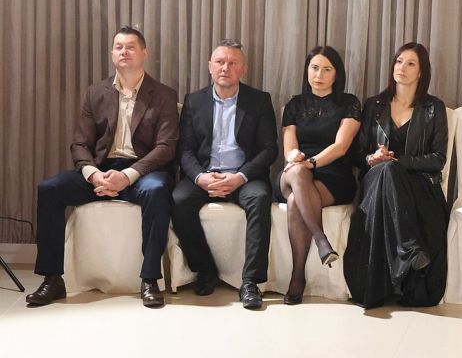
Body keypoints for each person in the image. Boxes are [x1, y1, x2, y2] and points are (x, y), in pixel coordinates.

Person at [27, 27, 178, 308]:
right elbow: (80, 144)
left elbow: (166, 147)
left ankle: (149, 279)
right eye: (118, 47)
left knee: (157, 191)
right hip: (101, 169)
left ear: (144, 53)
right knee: (49, 189)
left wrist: (127, 176)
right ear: (112, 54)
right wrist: (94, 174)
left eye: (131, 46)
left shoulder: (163, 94)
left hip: (142, 171)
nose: (124, 52)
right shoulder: (96, 92)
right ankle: (52, 278)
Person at [171, 40, 277, 309]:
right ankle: (204, 270)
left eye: (232, 63)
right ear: (210, 66)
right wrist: (200, 178)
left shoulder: (259, 101)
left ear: (243, 69)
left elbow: (269, 149)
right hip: (205, 174)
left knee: (260, 199)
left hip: (244, 177)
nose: (225, 68)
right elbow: (184, 150)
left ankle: (250, 281)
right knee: (179, 200)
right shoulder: (194, 101)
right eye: (220, 62)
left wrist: (239, 177)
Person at [344, 42, 449, 309]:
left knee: (390, 168)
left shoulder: (434, 108)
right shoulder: (374, 105)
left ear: (421, 72)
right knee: (386, 170)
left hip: (419, 186)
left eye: (410, 63)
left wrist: (398, 161)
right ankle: (409, 249)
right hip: (376, 182)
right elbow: (358, 155)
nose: (401, 67)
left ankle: (403, 257)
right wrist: (372, 158)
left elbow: (438, 159)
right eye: (399, 61)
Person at [277, 46, 361, 304]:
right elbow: (289, 147)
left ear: (337, 74)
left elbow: (341, 147)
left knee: (295, 201)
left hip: (334, 176)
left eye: (326, 69)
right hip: (294, 173)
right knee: (296, 172)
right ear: (307, 70)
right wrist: (295, 157)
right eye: (314, 68)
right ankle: (321, 239)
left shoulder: (349, 103)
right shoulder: (295, 104)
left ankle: (297, 277)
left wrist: (311, 163)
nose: (319, 75)